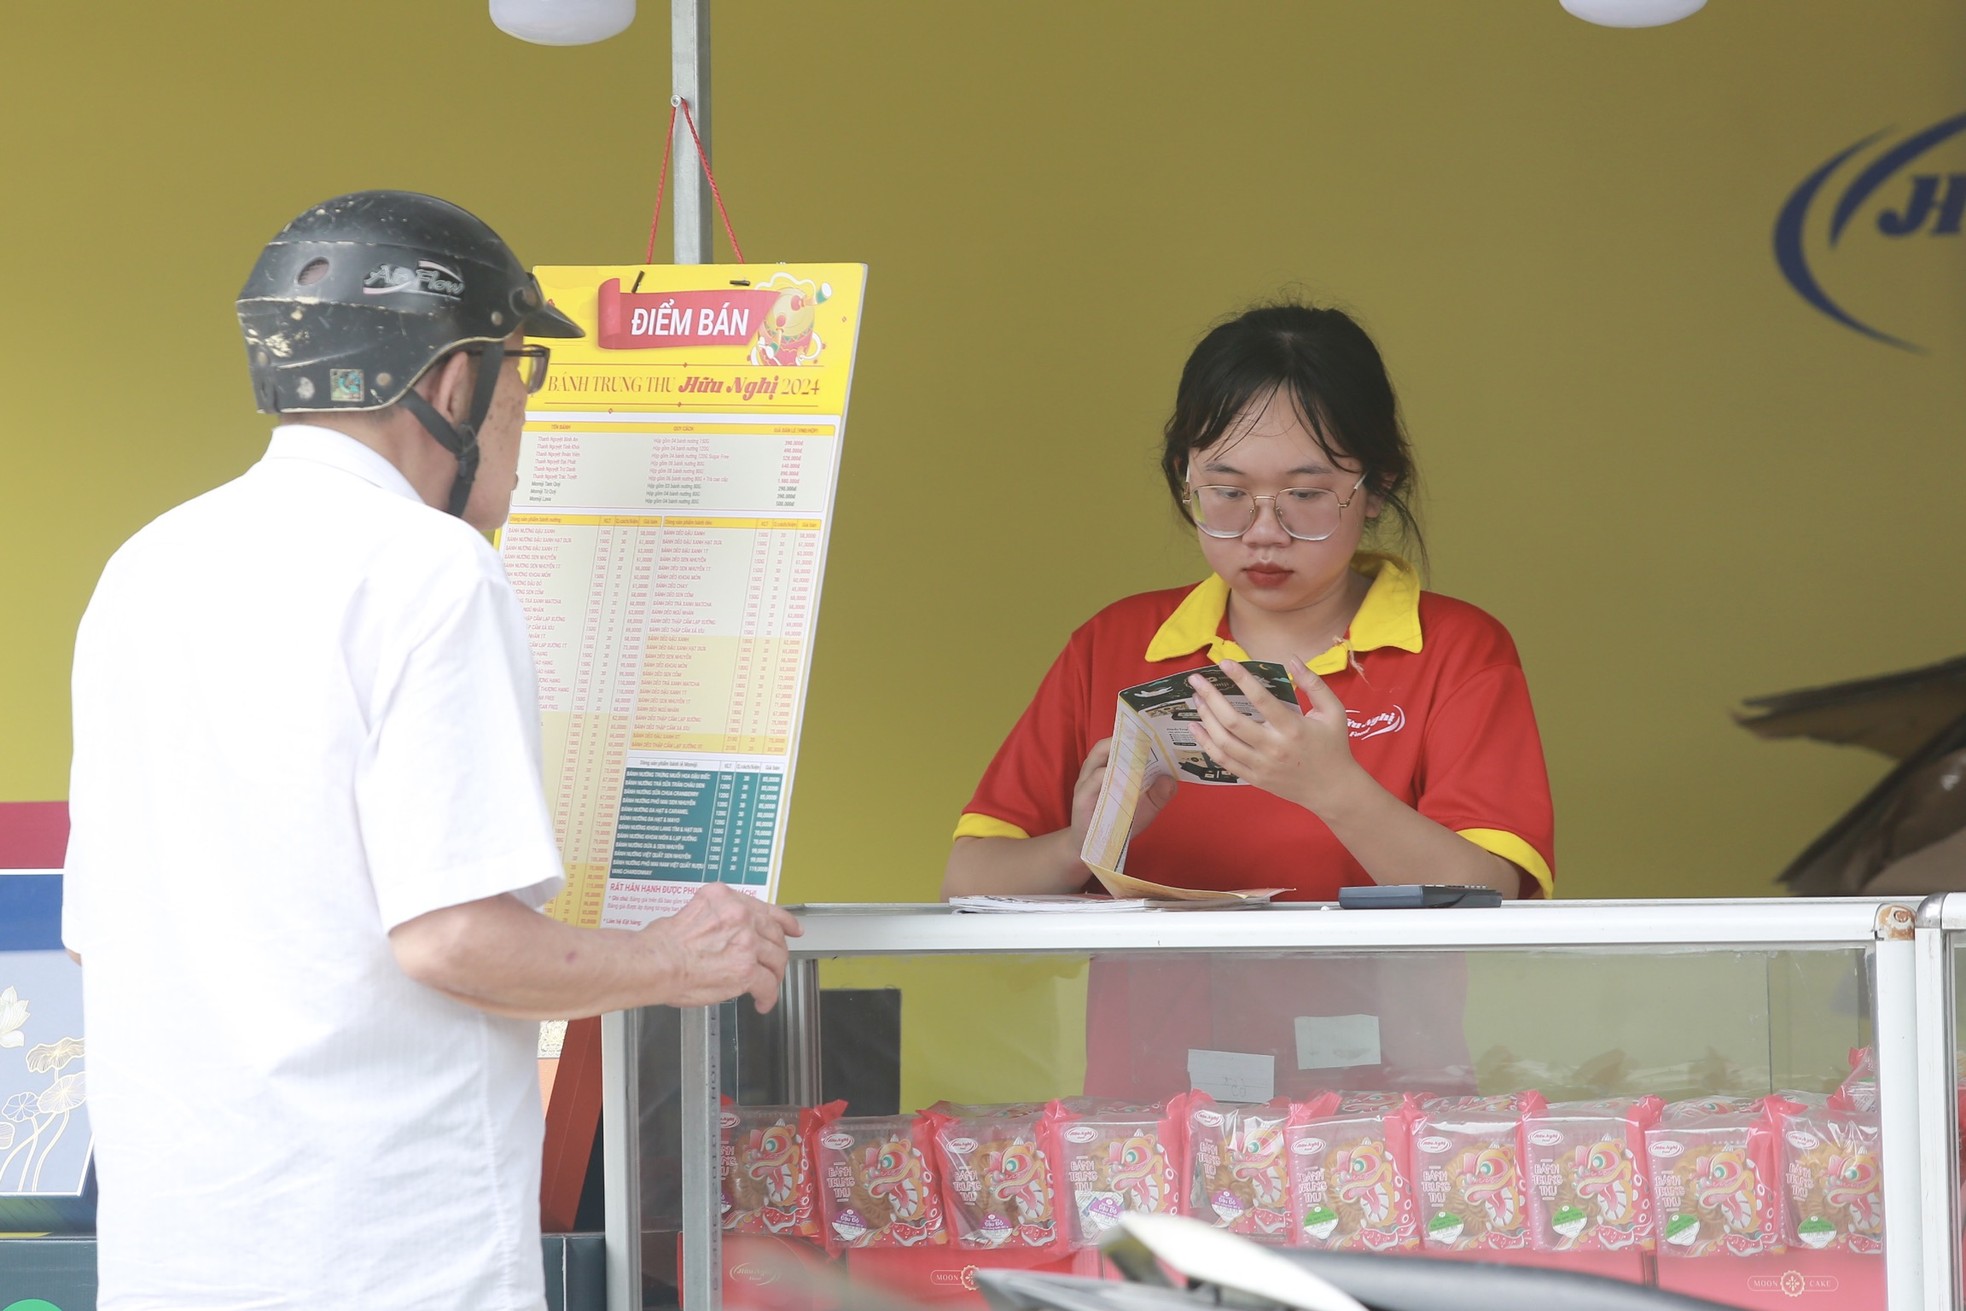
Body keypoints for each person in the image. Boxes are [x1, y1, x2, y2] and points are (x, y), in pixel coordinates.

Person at [62, 190, 801, 1311]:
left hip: (177, 1256)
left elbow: (97, 934)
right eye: (522, 371)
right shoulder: (429, 568)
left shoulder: (146, 568)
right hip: (384, 1256)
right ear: (453, 381)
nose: (522, 413)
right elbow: (455, 939)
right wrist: (671, 959)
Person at [942, 302, 1553, 1095]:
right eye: (1225, 492)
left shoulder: (1457, 650)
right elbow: (967, 881)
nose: (1263, 532)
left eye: (1307, 495)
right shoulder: (1117, 642)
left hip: (1378, 1118)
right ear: (1184, 478)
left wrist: (1332, 789)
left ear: (1376, 488)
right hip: (1150, 1115)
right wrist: (1081, 843)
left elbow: (1489, 893)